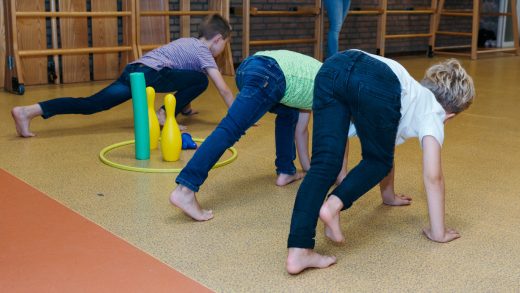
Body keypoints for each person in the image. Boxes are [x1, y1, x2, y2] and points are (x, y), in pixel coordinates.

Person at [285, 50, 475, 274]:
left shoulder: (406, 94)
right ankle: (332, 207)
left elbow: (380, 144)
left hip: (333, 66)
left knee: (324, 164)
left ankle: (299, 250)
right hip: (375, 78)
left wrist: (388, 196)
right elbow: (433, 177)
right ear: (449, 115)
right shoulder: (433, 111)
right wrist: (438, 232)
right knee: (377, 160)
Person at [11, 14, 234, 137]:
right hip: (150, 73)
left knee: (91, 104)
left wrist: (185, 108)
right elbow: (222, 88)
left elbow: (183, 77)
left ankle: (28, 111)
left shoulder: (187, 42)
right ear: (217, 39)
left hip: (134, 71)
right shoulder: (203, 52)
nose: (223, 48)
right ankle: (163, 114)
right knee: (202, 79)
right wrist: (238, 115)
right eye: (225, 43)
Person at [169, 50, 323, 221]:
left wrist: (308, 168)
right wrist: (316, 170)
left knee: (288, 113)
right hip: (269, 74)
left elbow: (300, 129)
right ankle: (185, 189)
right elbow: (303, 131)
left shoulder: (313, 81)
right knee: (230, 129)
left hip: (248, 67)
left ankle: (286, 171)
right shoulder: (326, 90)